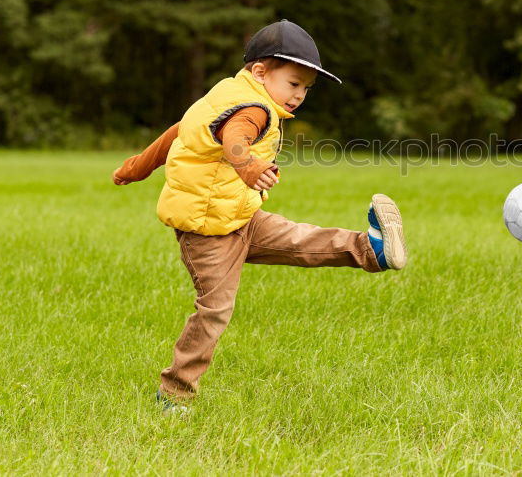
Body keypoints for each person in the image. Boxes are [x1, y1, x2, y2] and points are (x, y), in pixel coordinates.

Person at [112, 20, 408, 413]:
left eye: (305, 88)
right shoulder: (251, 108)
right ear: (259, 72)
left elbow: (178, 132)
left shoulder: (225, 95)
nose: (299, 95)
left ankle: (372, 249)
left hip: (241, 217)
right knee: (215, 310)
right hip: (208, 232)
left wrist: (136, 167)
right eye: (293, 83)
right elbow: (235, 139)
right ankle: (174, 394)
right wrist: (248, 166)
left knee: (301, 240)